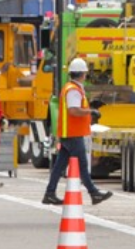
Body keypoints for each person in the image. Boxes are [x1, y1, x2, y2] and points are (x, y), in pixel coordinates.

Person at [42, 59, 111, 206]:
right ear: (82, 74)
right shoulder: (73, 90)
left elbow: (76, 108)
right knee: (82, 165)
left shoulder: (72, 88)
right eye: (85, 73)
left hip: (69, 133)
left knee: (59, 166)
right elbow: (73, 110)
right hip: (73, 134)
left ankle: (49, 193)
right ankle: (94, 193)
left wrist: (91, 106)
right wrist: (91, 111)